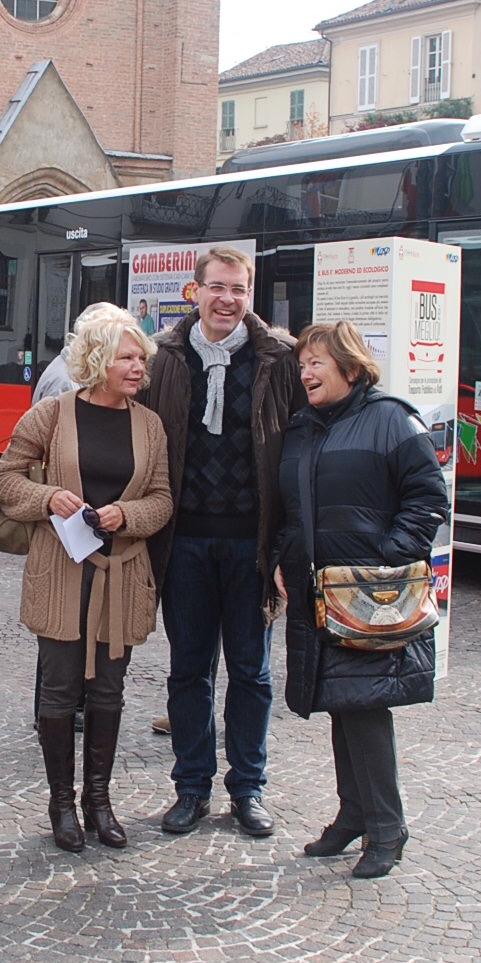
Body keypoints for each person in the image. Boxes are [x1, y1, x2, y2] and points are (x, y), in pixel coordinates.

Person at [136, 244, 304, 837]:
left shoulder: (280, 359)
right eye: (217, 288)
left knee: (252, 672)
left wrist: (290, 545)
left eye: (238, 289)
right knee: (188, 670)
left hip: (252, 547)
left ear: (248, 294)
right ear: (195, 290)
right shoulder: (164, 358)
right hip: (184, 544)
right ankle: (190, 787)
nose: (227, 300)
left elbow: (302, 451)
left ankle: (248, 789)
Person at [0, 306, 173, 851]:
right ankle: (61, 804)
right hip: (62, 572)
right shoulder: (49, 415)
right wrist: (48, 496)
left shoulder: (149, 424)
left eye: (141, 357)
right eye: (127, 356)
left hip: (120, 576)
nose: (138, 365)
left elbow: (162, 499)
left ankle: (100, 800)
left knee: (109, 693)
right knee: (59, 688)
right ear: (98, 360)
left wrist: (129, 515)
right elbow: (5, 481)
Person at [274, 321, 448, 879]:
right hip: (320, 594)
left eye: (317, 363)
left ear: (350, 367)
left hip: (370, 596)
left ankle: (388, 827)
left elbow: (427, 497)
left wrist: (386, 565)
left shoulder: (391, 419)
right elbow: (292, 507)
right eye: (303, 363)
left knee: (366, 706)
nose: (306, 372)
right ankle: (354, 814)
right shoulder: (303, 427)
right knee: (341, 701)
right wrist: (284, 557)